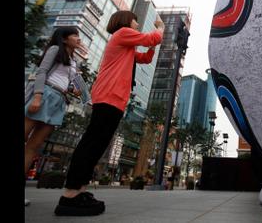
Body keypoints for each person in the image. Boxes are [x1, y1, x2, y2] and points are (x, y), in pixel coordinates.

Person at [54, 11, 164, 216]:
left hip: (115, 98)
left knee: (97, 145)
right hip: (108, 95)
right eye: (135, 19)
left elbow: (146, 58)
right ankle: (70, 195)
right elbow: (154, 37)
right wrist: (160, 28)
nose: (138, 22)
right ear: (125, 21)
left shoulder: (126, 46)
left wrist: (153, 43)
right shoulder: (122, 33)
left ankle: (80, 191)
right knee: (92, 143)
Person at [24, 26, 90, 207]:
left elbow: (72, 85)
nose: (78, 38)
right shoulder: (55, 50)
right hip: (45, 93)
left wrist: (77, 90)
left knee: (33, 147)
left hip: (60, 99)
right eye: (75, 35)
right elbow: (42, 71)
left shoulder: (74, 61)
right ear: (63, 39)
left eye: (79, 35)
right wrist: (37, 95)